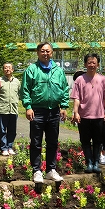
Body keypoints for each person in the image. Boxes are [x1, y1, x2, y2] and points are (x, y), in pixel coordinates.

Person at [20, 42, 69, 183]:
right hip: (37, 111)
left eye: (48, 51)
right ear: (38, 53)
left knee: (53, 141)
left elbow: (65, 89)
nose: (45, 53)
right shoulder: (31, 70)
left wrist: (64, 106)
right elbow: (25, 90)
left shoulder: (58, 71)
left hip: (54, 111)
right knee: (36, 142)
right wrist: (28, 107)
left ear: (52, 52)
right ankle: (36, 171)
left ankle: (50, 170)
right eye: (42, 51)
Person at [70, 53, 105, 174]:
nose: (91, 65)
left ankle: (96, 163)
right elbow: (76, 98)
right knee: (85, 141)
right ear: (85, 64)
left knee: (98, 141)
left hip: (99, 116)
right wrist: (75, 112)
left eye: (94, 62)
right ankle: (89, 163)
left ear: (98, 64)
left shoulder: (103, 80)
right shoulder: (79, 80)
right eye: (89, 62)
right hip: (84, 116)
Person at [0, 63, 20, 156]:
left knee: (12, 130)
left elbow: (19, 93)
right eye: (5, 68)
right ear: (3, 70)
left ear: (12, 70)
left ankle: (10, 147)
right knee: (2, 130)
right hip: (2, 109)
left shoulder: (17, 81)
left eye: (9, 68)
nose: (7, 69)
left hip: (13, 109)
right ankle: (3, 148)